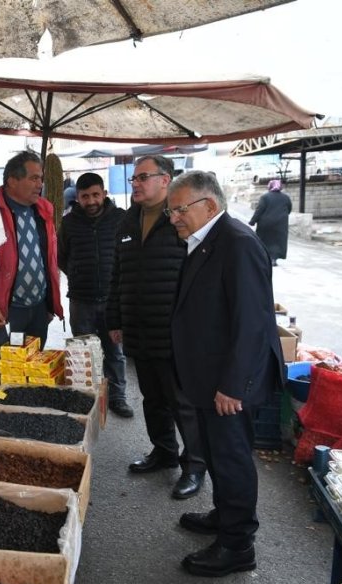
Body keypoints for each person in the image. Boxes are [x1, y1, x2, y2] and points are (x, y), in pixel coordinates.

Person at [166, 170, 284, 577]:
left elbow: (253, 322)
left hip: (228, 383)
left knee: (231, 458)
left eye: (179, 209)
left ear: (209, 205)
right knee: (217, 453)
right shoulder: (206, 241)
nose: (174, 218)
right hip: (207, 375)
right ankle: (224, 515)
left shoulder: (236, 243)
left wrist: (233, 385)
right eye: (170, 211)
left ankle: (237, 546)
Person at [106, 155, 206, 500]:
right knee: (152, 398)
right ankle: (163, 452)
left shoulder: (181, 220)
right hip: (138, 326)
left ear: (166, 180)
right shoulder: (128, 221)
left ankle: (194, 466)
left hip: (173, 330)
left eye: (142, 177)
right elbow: (117, 275)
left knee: (182, 401)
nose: (135, 183)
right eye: (133, 178)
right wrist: (115, 320)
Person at [0, 150, 64, 376]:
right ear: (12, 180)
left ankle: (25, 407)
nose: (40, 184)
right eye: (34, 178)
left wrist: (50, 302)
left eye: (41, 178)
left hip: (38, 307)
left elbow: (48, 258)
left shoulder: (43, 212)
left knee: (33, 364)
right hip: (1, 308)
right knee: (2, 362)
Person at [57, 173, 131, 417]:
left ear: (104, 194)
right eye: (85, 196)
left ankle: (117, 397)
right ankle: (87, 397)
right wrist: (78, 274)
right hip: (81, 299)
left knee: (114, 352)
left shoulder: (121, 218)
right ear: (77, 198)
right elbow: (62, 257)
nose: (91, 201)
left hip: (113, 299)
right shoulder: (68, 223)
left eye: (95, 195)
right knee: (83, 353)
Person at [249, 179, 292, 266]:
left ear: (270, 186)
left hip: (266, 223)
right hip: (280, 224)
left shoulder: (265, 197)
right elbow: (289, 209)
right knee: (278, 242)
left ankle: (264, 258)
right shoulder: (286, 197)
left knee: (264, 240)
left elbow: (259, 210)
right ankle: (274, 259)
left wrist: (253, 221)